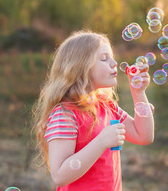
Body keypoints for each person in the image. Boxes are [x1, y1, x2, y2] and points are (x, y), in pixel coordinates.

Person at [32, 30, 154, 191]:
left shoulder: (106, 105)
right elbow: (60, 176)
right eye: (104, 59)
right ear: (81, 67)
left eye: (111, 57)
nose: (114, 63)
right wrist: (102, 142)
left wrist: (138, 92)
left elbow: (144, 136)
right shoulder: (65, 114)